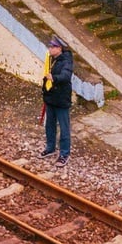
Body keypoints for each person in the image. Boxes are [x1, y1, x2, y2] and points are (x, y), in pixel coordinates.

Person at [40, 36, 74, 168]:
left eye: (52, 47)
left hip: (61, 99)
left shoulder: (67, 60)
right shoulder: (51, 58)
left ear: (59, 48)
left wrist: (54, 78)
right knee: (50, 125)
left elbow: (66, 76)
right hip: (50, 97)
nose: (50, 49)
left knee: (64, 128)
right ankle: (50, 147)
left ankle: (64, 154)